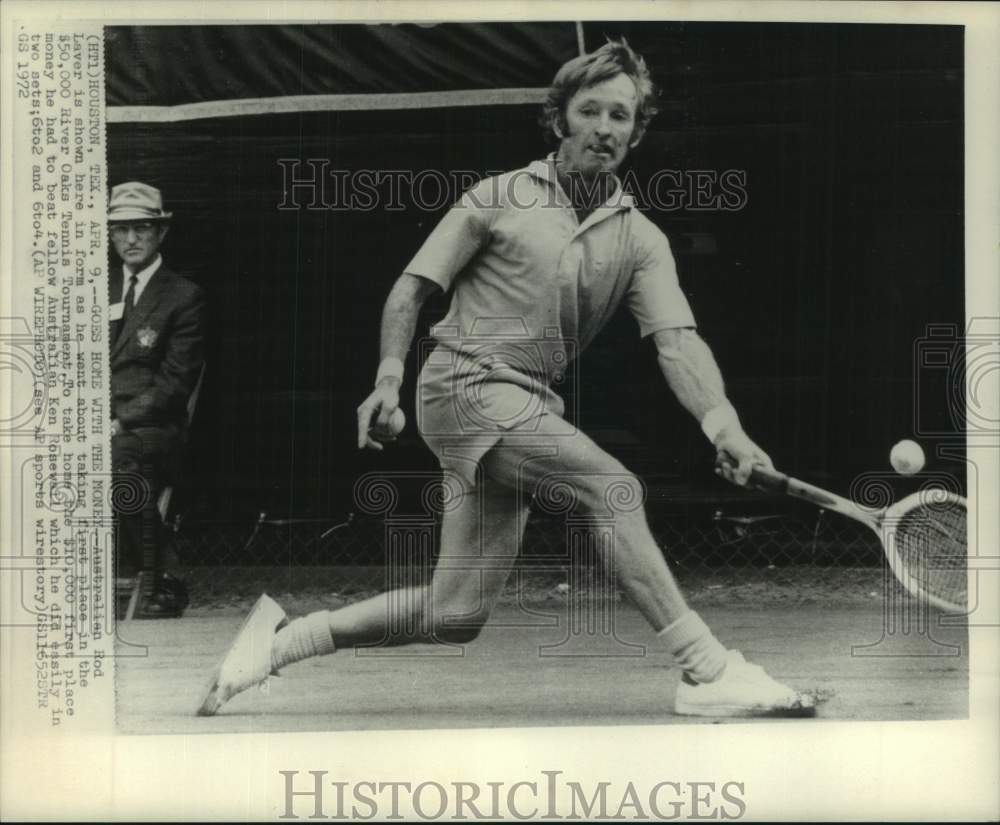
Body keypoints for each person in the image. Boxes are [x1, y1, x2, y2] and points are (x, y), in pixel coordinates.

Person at [198, 40, 814, 716]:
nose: (604, 128)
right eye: (589, 111)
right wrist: (387, 380)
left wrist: (725, 427)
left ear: (636, 132)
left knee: (454, 613)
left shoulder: (641, 240)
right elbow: (411, 289)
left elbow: (678, 344)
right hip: (461, 386)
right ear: (559, 119)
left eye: (620, 116)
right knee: (611, 488)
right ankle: (706, 671)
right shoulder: (496, 197)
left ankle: (280, 642)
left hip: (523, 405)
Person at [109, 181, 206, 618]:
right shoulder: (94, 289)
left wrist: (119, 420)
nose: (130, 239)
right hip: (97, 423)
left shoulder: (183, 296)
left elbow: (174, 384)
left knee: (118, 460)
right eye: (120, 229)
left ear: (161, 232)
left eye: (142, 228)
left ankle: (164, 577)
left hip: (152, 429)